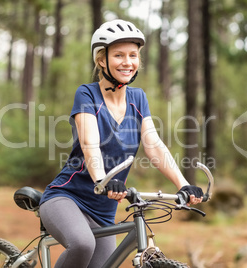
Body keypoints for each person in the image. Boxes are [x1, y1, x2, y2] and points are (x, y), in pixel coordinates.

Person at [39, 19, 203, 268]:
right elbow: (89, 143)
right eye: (118, 55)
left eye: (133, 55)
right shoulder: (87, 94)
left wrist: (184, 184)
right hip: (67, 198)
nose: (128, 62)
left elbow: (154, 145)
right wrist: (101, 180)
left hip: (104, 211)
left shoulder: (138, 98)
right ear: (101, 60)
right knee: (83, 245)